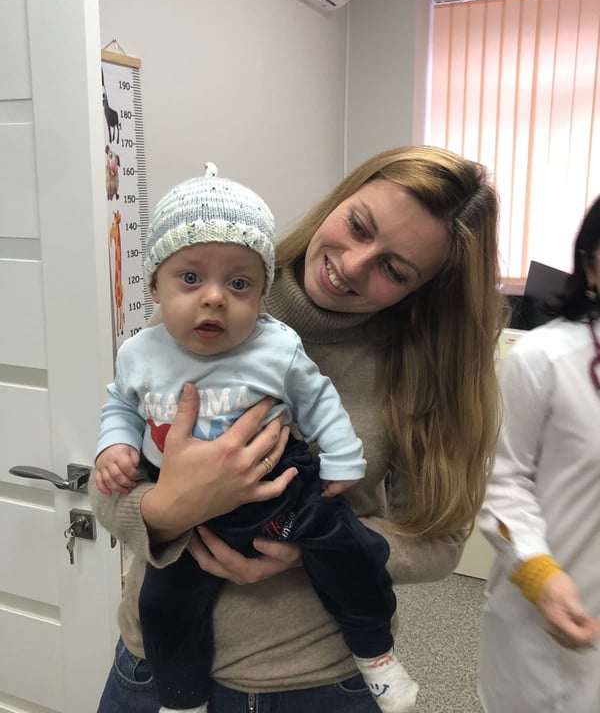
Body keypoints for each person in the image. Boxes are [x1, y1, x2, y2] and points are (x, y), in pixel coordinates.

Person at [91, 145, 507, 713]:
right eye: (358, 225)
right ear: (340, 199)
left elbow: (439, 540)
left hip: (322, 685)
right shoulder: (186, 311)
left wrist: (313, 549)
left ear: (421, 289)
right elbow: (108, 479)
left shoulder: (421, 372)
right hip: (154, 672)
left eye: (393, 268)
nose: (353, 264)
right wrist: (168, 510)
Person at [477, 196, 600, 713]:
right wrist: (540, 575)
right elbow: (500, 482)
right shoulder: (543, 358)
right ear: (592, 263)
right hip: (547, 629)